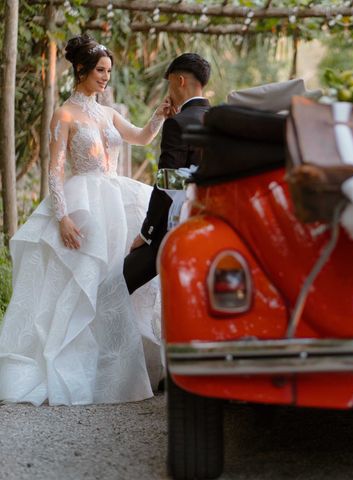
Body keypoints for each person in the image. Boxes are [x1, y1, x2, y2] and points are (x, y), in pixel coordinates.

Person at [0, 34, 169, 406]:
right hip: (83, 202)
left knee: (118, 277)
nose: (106, 78)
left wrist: (160, 114)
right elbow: (55, 170)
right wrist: (62, 217)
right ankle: (81, 370)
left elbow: (140, 138)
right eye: (101, 71)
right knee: (85, 284)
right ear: (82, 70)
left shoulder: (107, 113)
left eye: (109, 71)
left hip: (115, 196)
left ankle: (119, 369)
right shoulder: (64, 114)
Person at [123, 53, 211, 294]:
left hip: (171, 229)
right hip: (205, 224)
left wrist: (146, 232)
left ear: (179, 81)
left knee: (118, 286)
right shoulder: (217, 119)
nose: (168, 89)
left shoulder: (177, 124)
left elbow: (166, 181)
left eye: (169, 81)